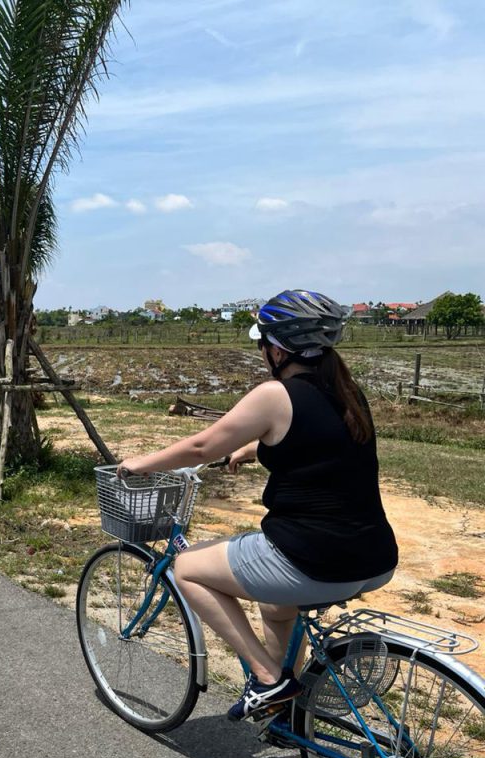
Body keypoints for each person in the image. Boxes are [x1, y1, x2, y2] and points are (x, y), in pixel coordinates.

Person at [118, 289, 398, 721]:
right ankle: (285, 711)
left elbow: (202, 445)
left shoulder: (274, 395)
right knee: (275, 605)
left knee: (187, 568)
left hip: (314, 560)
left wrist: (141, 464)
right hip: (375, 557)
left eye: (262, 342)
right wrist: (252, 449)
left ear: (278, 348)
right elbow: (316, 440)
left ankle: (269, 679)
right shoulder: (345, 392)